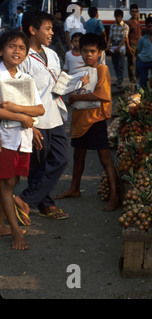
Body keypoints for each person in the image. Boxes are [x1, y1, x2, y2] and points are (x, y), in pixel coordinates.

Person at [55, 33, 120, 212]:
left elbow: (102, 95)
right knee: (78, 156)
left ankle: (115, 196)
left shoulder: (102, 70)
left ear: (99, 52)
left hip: (96, 119)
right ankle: (75, 188)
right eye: (85, 51)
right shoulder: (81, 71)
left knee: (105, 159)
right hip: (80, 120)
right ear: (80, 51)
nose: (89, 55)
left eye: (92, 51)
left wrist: (75, 96)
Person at [17, 11, 70, 220]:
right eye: (47, 28)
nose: (52, 32)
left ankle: (25, 200)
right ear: (32, 30)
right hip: (35, 119)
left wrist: (73, 83)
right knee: (37, 164)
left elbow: (57, 83)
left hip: (54, 115)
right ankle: (46, 204)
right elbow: (20, 93)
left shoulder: (53, 54)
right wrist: (30, 124)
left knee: (61, 158)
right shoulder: (23, 58)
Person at [0, 30, 45, 250]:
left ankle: (1, 225)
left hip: (22, 138)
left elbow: (40, 109)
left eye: (21, 48)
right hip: (4, 139)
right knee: (7, 183)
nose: (16, 51)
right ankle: (16, 233)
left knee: (13, 181)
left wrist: (21, 114)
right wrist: (21, 117)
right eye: (11, 46)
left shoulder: (26, 79)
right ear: (1, 50)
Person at [107, 9, 129, 89]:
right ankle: (117, 79)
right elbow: (110, 37)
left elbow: (124, 38)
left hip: (121, 45)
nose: (118, 18)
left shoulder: (125, 26)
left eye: (119, 17)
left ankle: (120, 81)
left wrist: (118, 47)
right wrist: (108, 45)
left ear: (121, 17)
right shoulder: (113, 26)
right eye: (116, 16)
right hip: (114, 44)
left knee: (120, 64)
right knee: (115, 64)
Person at [125, 4, 142, 84]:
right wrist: (128, 46)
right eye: (133, 12)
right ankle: (132, 78)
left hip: (139, 44)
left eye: (136, 12)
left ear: (138, 12)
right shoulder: (128, 22)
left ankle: (138, 77)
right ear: (130, 12)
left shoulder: (138, 22)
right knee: (131, 62)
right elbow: (126, 36)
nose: (134, 13)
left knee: (139, 62)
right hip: (132, 44)